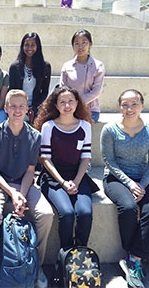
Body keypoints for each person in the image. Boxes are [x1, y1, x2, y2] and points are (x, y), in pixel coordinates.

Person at [0, 89, 54, 288]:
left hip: (24, 184)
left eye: (21, 106)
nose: (17, 110)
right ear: (5, 108)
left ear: (27, 110)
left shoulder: (34, 135)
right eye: (12, 106)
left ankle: (36, 265)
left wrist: (20, 196)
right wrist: (13, 194)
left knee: (46, 214)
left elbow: (31, 171)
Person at [100, 89, 149, 288]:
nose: (129, 108)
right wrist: (129, 184)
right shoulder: (110, 130)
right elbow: (109, 161)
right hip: (116, 178)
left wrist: (141, 185)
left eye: (134, 104)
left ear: (142, 106)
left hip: (143, 177)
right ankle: (130, 252)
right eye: (125, 104)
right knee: (128, 208)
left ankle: (134, 259)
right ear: (120, 107)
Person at [34, 86, 97, 251]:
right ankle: (67, 256)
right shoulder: (48, 126)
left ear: (77, 103)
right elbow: (45, 158)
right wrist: (63, 182)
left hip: (78, 176)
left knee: (84, 214)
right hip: (54, 178)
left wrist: (76, 181)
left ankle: (81, 256)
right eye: (62, 102)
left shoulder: (85, 126)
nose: (67, 105)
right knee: (67, 214)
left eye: (71, 101)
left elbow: (86, 157)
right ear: (56, 105)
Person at [60, 29, 105, 123]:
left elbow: (96, 91)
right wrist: (71, 104)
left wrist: (78, 103)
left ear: (90, 44)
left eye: (84, 42)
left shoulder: (98, 66)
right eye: (77, 43)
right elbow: (62, 88)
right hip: (69, 109)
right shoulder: (67, 66)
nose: (80, 46)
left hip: (90, 110)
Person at [9, 32, 51, 123]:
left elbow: (44, 92)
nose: (29, 48)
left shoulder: (45, 66)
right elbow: (12, 91)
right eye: (27, 45)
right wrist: (22, 106)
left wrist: (34, 107)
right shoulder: (14, 67)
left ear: (38, 47)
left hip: (37, 107)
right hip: (18, 107)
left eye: (33, 45)